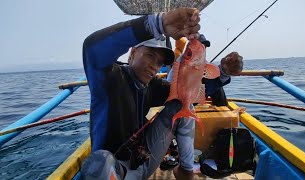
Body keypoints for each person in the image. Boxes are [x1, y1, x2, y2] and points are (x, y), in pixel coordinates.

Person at [81, 7, 242, 180]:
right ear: (132, 53)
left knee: (182, 105)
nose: (154, 66)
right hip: (115, 173)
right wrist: (158, 24)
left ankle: (186, 172)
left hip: (144, 161)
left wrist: (223, 72)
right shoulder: (109, 78)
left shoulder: (152, 85)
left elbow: (189, 92)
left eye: (159, 63)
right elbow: (92, 49)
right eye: (150, 55)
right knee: (100, 163)